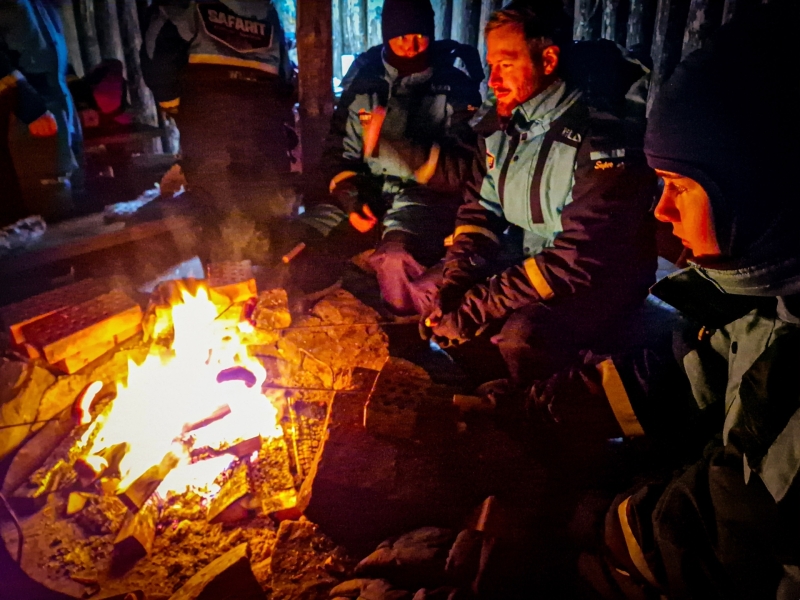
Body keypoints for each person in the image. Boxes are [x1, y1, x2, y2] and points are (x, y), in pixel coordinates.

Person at [524, 3, 799, 597]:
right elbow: (697, 368)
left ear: (755, 188)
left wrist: (598, 523)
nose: (662, 211)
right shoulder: (760, 296)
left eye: (679, 186)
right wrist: (553, 405)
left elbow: (733, 522)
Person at [419, 1, 657, 388]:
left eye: (506, 65)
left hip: (605, 277)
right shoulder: (504, 124)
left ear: (547, 60)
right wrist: (456, 287)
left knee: (524, 335)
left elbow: (577, 257)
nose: (492, 81)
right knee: (440, 298)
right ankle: (493, 403)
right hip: (537, 260)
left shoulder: (600, 137)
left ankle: (545, 426)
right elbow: (479, 213)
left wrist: (477, 305)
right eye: (491, 65)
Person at [282, 0, 483, 304]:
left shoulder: (455, 87)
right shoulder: (366, 85)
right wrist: (350, 198)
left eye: (420, 36)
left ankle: (405, 336)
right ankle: (302, 327)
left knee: (396, 258)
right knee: (297, 241)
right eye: (400, 36)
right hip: (367, 195)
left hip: (422, 200)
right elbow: (338, 153)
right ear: (386, 36)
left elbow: (461, 170)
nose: (411, 45)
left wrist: (395, 146)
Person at [140, 0, 294, 217]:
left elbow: (158, 54)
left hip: (210, 114)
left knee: (216, 205)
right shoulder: (264, 9)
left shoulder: (183, 5)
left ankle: (230, 248)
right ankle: (270, 246)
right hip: (263, 114)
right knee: (268, 201)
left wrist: (175, 106)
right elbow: (283, 72)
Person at [1, 0, 82, 222]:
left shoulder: (43, 4)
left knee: (73, 191)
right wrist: (28, 105)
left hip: (61, 108)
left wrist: (82, 98)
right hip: (29, 115)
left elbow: (54, 56)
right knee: (49, 199)